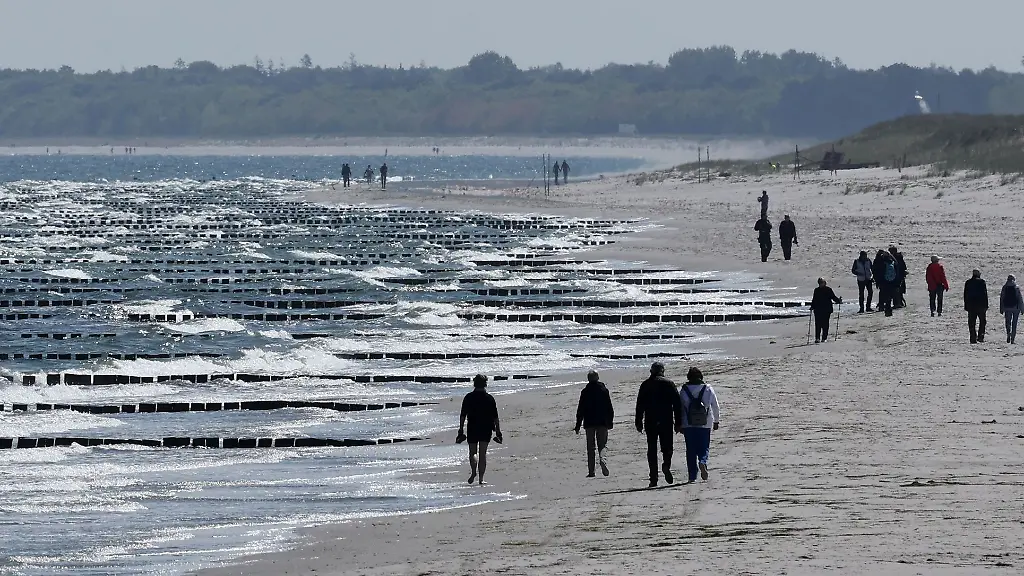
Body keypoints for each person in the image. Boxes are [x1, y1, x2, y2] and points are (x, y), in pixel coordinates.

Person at [635, 362, 682, 487]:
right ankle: (666, 465)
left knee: (652, 449)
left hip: (650, 421)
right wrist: (678, 422)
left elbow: (639, 406)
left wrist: (638, 422)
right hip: (665, 420)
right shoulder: (669, 384)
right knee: (667, 447)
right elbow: (677, 405)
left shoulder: (645, 385)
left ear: (651, 371)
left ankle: (653, 479)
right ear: (662, 371)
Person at [457, 374, 503, 485]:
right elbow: (495, 417)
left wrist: (461, 429)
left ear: (474, 383)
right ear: (485, 384)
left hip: (472, 427)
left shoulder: (468, 397)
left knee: (473, 452)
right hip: (486, 428)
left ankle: (473, 472)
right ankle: (481, 479)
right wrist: (498, 431)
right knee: (483, 453)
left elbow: (463, 415)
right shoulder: (489, 398)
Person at [678, 367, 721, 483]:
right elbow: (715, 406)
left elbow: (680, 408)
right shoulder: (708, 388)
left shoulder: (684, 390)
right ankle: (703, 462)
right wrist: (716, 420)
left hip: (688, 423)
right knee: (704, 446)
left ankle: (692, 476)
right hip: (705, 423)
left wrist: (679, 423)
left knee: (690, 449)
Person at [575, 370, 614, 477]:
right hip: (602, 422)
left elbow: (580, 409)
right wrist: (610, 421)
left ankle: (591, 471)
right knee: (602, 445)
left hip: (589, 423)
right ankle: (603, 460)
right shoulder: (603, 390)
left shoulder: (585, 392)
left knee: (590, 448)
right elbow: (609, 407)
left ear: (588, 379)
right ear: (597, 378)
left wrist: (578, 425)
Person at [810, 278, 843, 343]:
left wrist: (838, 301)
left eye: (822, 282)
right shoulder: (816, 290)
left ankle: (824, 338)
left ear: (824, 283)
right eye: (820, 283)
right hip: (818, 309)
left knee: (825, 324)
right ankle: (817, 338)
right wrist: (812, 307)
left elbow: (833, 297)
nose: (821, 284)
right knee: (818, 324)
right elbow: (814, 299)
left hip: (826, 309)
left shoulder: (828, 289)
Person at [964, 269, 989, 344]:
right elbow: (985, 294)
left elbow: (965, 295)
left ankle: (973, 338)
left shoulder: (968, 282)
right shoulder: (982, 282)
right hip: (981, 305)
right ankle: (981, 336)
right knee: (982, 321)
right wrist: (986, 305)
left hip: (971, 306)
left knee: (971, 322)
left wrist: (966, 305)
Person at [999, 274, 1024, 344]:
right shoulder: (1016, 287)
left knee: (1008, 322)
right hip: (1016, 308)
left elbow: (1002, 298)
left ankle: (1008, 333)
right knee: (1014, 323)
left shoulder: (1004, 287)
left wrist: (1001, 308)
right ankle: (1012, 338)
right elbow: (1020, 299)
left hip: (1007, 307)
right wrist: (1022, 308)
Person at [873, 250, 896, 317]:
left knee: (882, 294)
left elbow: (875, 271)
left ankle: (882, 307)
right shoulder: (891, 261)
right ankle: (888, 310)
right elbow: (896, 263)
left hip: (883, 281)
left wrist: (877, 281)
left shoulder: (879, 261)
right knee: (889, 295)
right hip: (890, 281)